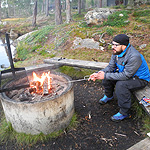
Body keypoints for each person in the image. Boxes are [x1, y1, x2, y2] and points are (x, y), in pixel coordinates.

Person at [88, 34, 150, 122]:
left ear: (124, 46)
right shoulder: (116, 52)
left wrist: (105, 75)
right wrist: (98, 74)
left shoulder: (134, 56)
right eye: (112, 44)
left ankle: (124, 112)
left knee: (121, 85)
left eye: (116, 45)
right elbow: (110, 67)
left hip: (140, 79)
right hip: (125, 73)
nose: (113, 47)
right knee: (107, 76)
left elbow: (126, 75)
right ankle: (109, 96)